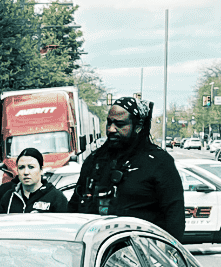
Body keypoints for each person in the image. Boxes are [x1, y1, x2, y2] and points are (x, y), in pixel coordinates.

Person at [69, 98, 184, 242]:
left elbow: (174, 217)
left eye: (119, 124)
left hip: (143, 253)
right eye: (109, 122)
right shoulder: (95, 160)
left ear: (138, 126)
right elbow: (73, 207)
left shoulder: (158, 162)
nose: (111, 129)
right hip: (97, 252)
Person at [0, 148, 69, 214]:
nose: (26, 172)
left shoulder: (56, 198)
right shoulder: (8, 197)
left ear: (41, 170)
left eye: (31, 167)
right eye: (21, 167)